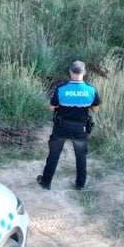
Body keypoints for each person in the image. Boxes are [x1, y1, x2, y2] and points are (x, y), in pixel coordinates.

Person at [37, 60, 100, 191]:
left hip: (61, 126)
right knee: (81, 157)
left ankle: (46, 182)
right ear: (84, 72)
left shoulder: (61, 88)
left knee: (54, 154)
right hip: (80, 128)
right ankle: (80, 185)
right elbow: (95, 109)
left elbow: (51, 107)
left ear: (70, 72)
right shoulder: (91, 89)